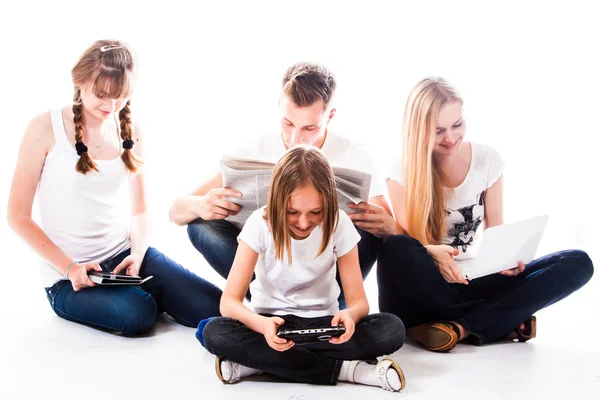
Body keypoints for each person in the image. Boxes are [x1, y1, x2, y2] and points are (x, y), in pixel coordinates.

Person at [7, 39, 222, 336]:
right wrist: (70, 268)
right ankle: (145, 297)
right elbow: (18, 216)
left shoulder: (131, 130)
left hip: (124, 256)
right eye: (102, 96)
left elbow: (140, 209)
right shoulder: (44, 127)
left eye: (120, 98)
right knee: (138, 313)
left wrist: (138, 251)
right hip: (68, 276)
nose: (110, 106)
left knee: (215, 307)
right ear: (79, 81)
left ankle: (146, 290)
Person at [371, 77, 594, 351]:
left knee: (577, 262)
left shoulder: (487, 159)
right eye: (438, 130)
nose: (450, 138)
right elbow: (410, 245)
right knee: (397, 246)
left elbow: (495, 230)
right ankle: (499, 318)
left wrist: (506, 259)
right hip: (425, 290)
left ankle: (461, 327)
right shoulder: (402, 169)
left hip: (469, 280)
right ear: (419, 130)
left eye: (457, 125)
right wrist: (432, 253)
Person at [169, 62, 395, 308]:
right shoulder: (254, 150)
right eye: (288, 123)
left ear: (330, 116)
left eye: (310, 127)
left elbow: (388, 227)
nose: (296, 138)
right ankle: (269, 303)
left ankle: (334, 306)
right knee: (201, 227)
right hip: (267, 272)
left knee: (368, 233)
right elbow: (176, 211)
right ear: (279, 107)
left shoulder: (355, 154)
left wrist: (388, 225)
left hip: (329, 275)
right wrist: (201, 204)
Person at [200, 146, 406, 392]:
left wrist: (349, 316)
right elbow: (230, 302)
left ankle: (261, 363)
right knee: (214, 331)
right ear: (277, 203)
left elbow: (359, 302)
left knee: (391, 329)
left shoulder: (339, 224)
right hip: (271, 324)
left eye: (315, 212)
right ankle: (349, 370)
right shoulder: (259, 223)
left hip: (325, 325)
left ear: (327, 203)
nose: (304, 222)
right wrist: (262, 325)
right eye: (292, 212)